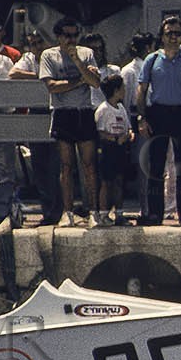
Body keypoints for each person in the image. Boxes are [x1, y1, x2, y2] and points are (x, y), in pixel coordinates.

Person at [39, 18, 101, 227]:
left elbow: (94, 82)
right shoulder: (48, 55)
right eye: (67, 35)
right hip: (62, 113)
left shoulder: (86, 54)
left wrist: (78, 63)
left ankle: (93, 211)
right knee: (66, 166)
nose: (71, 39)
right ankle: (68, 212)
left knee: (89, 165)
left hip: (83, 112)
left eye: (74, 35)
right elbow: (52, 86)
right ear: (59, 36)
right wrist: (78, 81)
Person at [93, 76, 133, 227]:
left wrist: (129, 134)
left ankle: (119, 214)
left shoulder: (121, 108)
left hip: (121, 150)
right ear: (116, 90)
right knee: (106, 182)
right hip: (108, 149)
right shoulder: (103, 110)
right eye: (122, 88)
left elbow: (128, 127)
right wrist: (115, 139)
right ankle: (103, 214)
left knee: (119, 181)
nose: (124, 91)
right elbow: (100, 132)